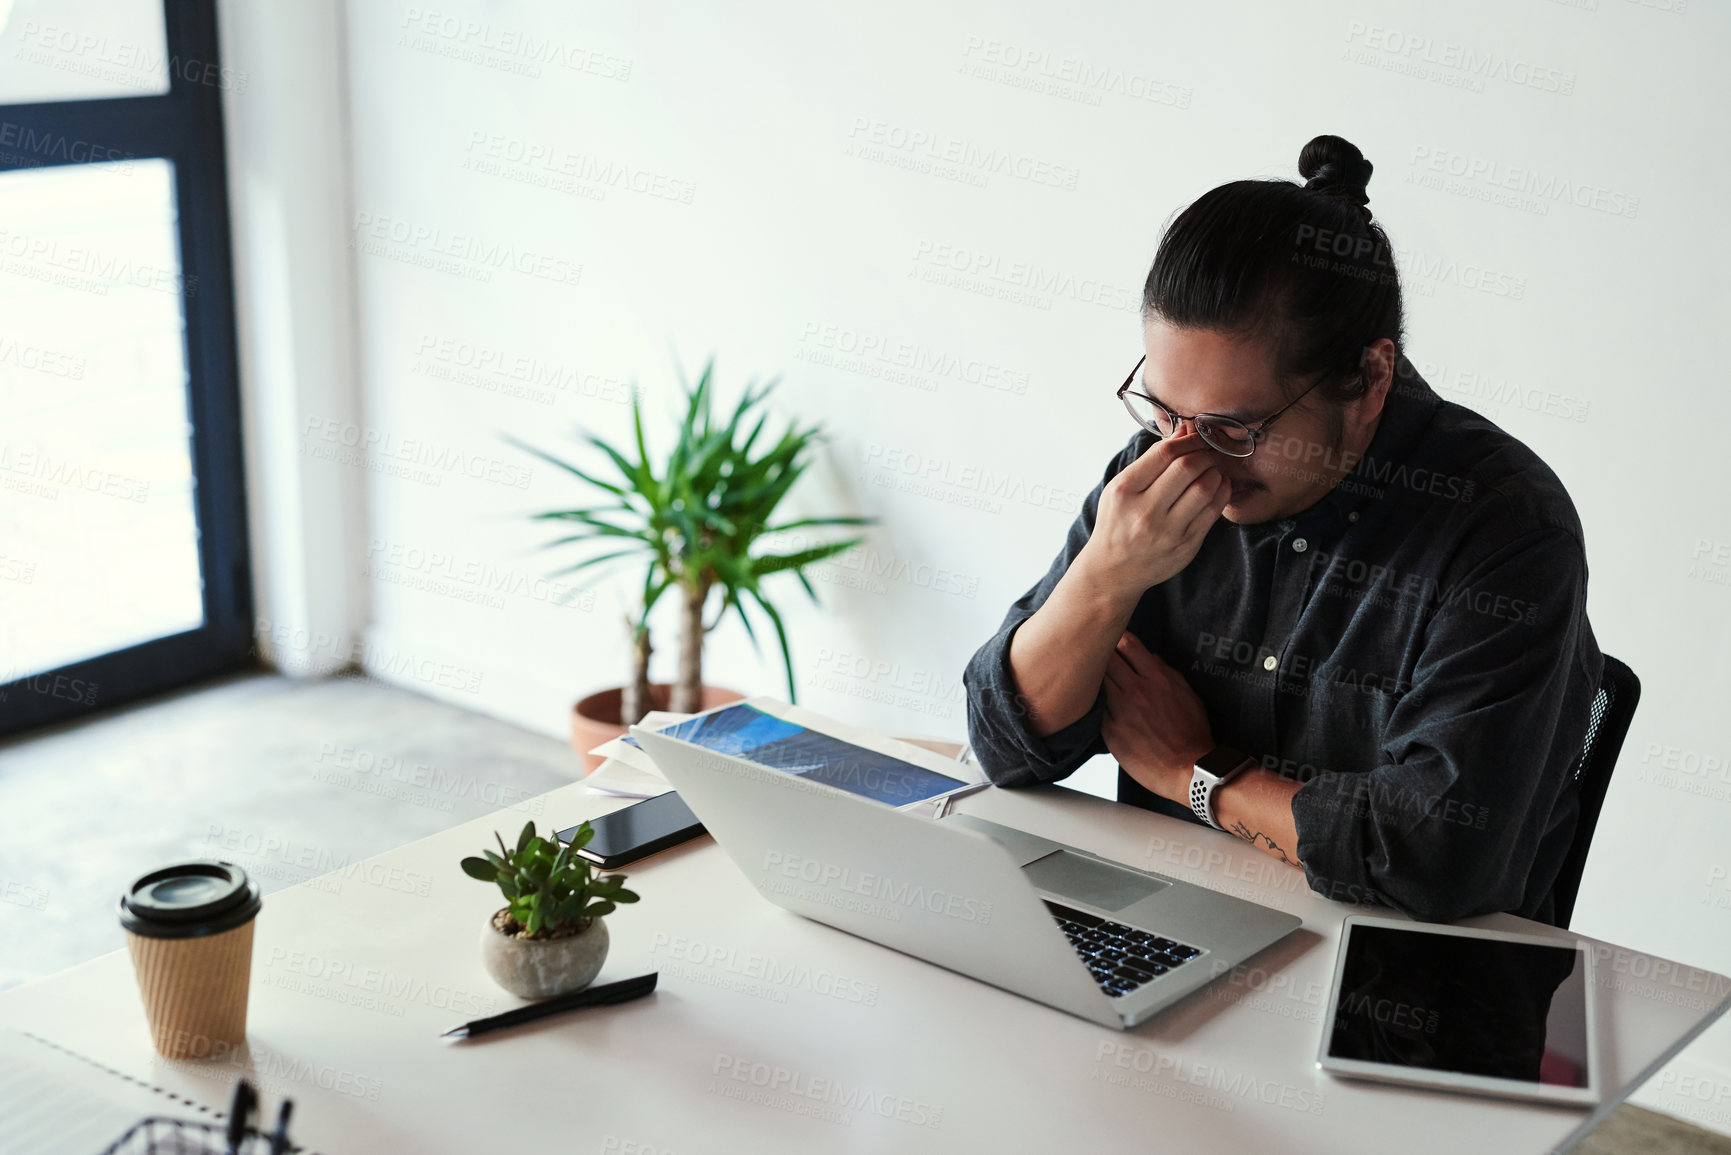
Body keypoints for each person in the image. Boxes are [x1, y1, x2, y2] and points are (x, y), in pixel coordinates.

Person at [961, 134, 1603, 926]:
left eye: (1234, 428)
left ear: (1369, 379)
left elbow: (1436, 857)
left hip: (1404, 985)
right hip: (1170, 922)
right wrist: (1105, 574)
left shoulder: (1503, 529)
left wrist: (1196, 772)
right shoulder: (1157, 477)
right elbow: (1009, 746)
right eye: (1164, 409)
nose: (1190, 455)